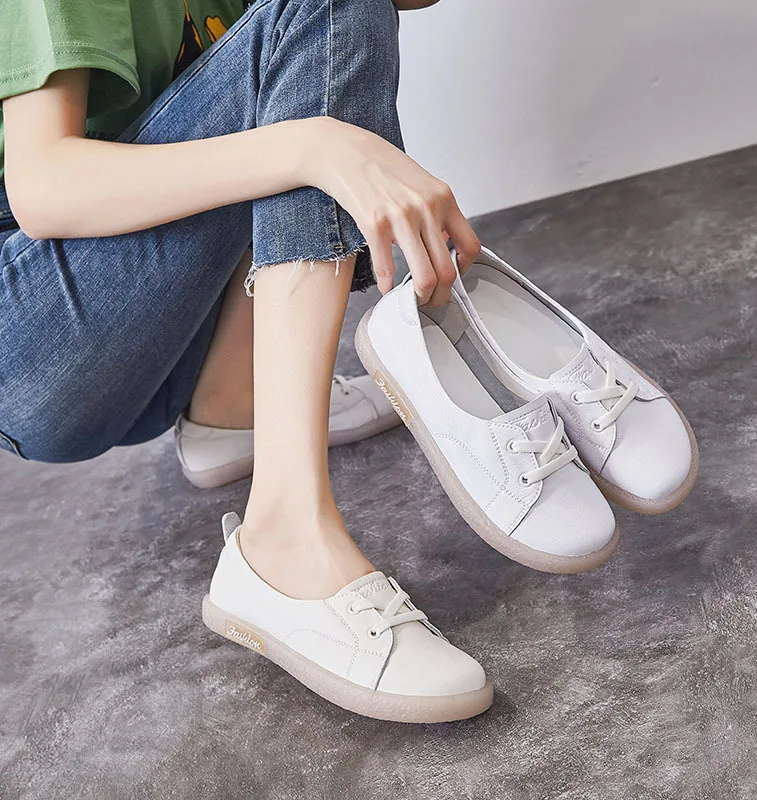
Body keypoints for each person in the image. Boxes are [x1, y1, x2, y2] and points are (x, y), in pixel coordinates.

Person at [0, 0, 492, 721]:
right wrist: (311, 146)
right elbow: (44, 185)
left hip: (150, 347)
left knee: (328, 25)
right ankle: (283, 541)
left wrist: (313, 138)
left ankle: (233, 406)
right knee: (325, 21)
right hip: (27, 336)